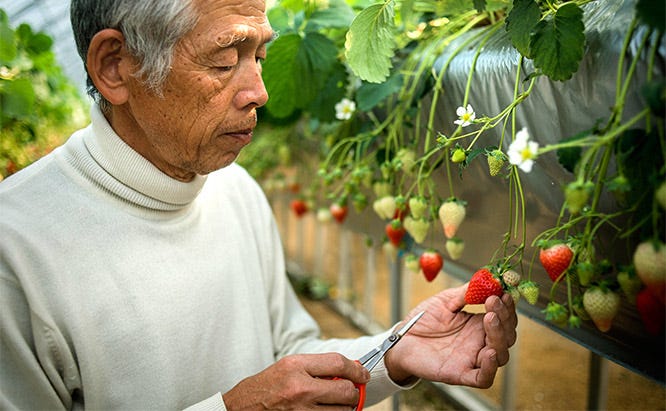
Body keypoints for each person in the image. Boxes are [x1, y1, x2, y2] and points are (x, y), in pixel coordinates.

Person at [0, 0, 518, 409]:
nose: (259, 91)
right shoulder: (16, 251)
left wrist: (396, 352)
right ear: (115, 67)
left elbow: (287, 352)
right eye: (225, 60)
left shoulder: (235, 189)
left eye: (260, 56)